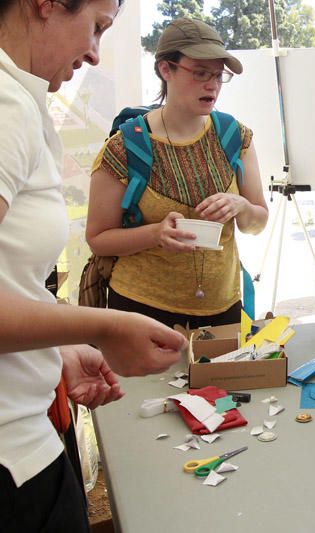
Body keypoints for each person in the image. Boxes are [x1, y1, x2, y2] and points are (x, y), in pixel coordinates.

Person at [0, 1, 186, 531]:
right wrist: (102, 324)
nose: (94, 52)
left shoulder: (20, 100)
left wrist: (54, 342)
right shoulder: (7, 105)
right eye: (97, 26)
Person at [86, 18, 268, 329]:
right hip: (141, 311)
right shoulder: (124, 148)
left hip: (222, 309)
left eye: (218, 75)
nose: (212, 84)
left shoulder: (235, 137)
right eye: (199, 73)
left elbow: (257, 222)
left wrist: (241, 206)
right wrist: (155, 234)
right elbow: (98, 239)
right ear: (165, 69)